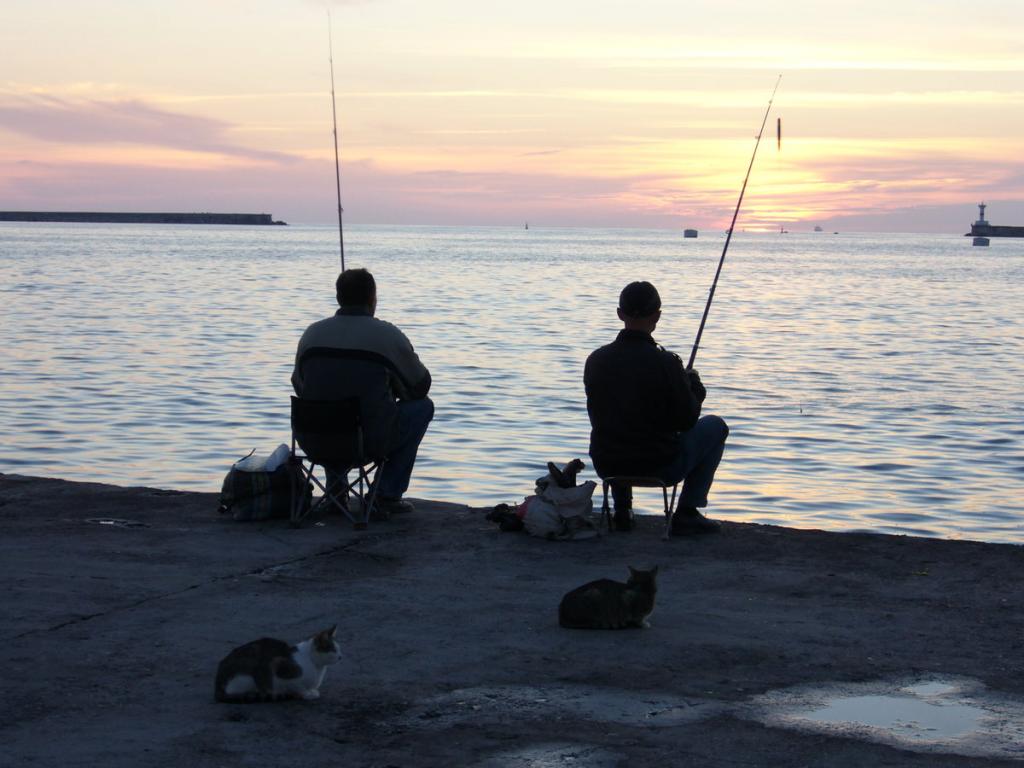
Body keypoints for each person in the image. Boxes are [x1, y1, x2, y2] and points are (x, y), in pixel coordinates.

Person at [584, 280, 728, 534]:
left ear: (620, 314)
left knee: (619, 427)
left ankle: (622, 511)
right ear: (657, 316)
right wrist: (695, 388)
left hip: (608, 465)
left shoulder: (596, 360)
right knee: (716, 426)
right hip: (660, 467)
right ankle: (687, 512)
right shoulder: (667, 363)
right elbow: (686, 420)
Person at [292, 268, 433, 516]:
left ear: (338, 297)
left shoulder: (311, 334)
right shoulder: (387, 335)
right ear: (372, 299)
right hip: (367, 443)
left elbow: (300, 386)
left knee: (329, 407)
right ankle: (385, 495)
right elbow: (420, 387)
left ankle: (336, 491)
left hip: (313, 441)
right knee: (422, 408)